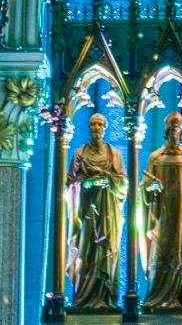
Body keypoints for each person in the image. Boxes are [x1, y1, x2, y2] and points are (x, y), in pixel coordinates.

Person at [141, 123, 182, 306]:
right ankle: (157, 295)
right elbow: (144, 186)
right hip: (162, 212)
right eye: (172, 131)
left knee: (181, 251)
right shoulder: (155, 158)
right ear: (166, 132)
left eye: (178, 131)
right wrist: (149, 187)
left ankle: (179, 296)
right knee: (161, 249)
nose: (175, 134)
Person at [68, 108, 124, 309]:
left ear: (105, 128)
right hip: (86, 211)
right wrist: (88, 184)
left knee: (107, 250)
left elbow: (123, 183)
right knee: (87, 250)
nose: (96, 128)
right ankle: (84, 296)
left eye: (100, 124)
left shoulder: (114, 154)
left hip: (108, 211)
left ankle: (106, 297)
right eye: (93, 124)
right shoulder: (79, 153)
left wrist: (108, 181)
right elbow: (69, 184)